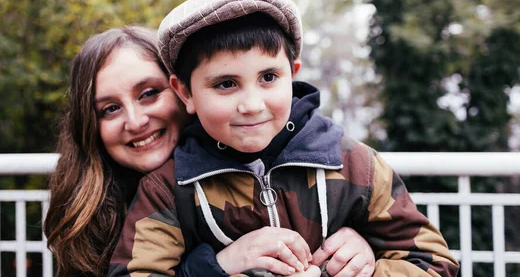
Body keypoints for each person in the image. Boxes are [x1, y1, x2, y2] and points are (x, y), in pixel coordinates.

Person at [109, 0, 460, 276]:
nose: (252, 104)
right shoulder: (171, 188)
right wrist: (215, 267)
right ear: (185, 92)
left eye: (268, 78)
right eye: (226, 84)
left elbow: (435, 264)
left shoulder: (355, 164)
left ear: (292, 74)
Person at [44, 26, 376, 277]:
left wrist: (366, 248)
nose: (135, 120)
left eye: (148, 94)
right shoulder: (85, 213)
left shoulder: (256, 167)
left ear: (184, 92)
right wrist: (215, 265)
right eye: (110, 109)